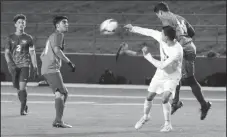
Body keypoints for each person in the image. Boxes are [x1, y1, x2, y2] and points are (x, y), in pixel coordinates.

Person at [153, 2, 211, 120]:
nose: (159, 17)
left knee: (180, 76)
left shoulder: (166, 19)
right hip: (190, 47)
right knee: (182, 77)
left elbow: (167, 38)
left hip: (181, 49)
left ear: (160, 12)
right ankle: (183, 103)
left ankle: (183, 103)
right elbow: (192, 32)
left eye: (157, 15)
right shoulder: (179, 18)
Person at [124, 24, 183, 132]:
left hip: (172, 75)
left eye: (162, 34)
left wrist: (147, 56)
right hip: (161, 74)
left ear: (166, 37)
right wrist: (132, 28)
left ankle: (167, 124)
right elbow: (149, 31)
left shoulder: (177, 51)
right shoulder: (162, 38)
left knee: (165, 98)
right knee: (149, 97)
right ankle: (146, 116)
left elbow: (162, 65)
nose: (160, 35)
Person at [40, 15, 76, 128]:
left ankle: (58, 119)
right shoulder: (59, 35)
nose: (67, 24)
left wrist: (47, 65)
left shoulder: (52, 36)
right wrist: (69, 62)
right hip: (51, 69)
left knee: (61, 92)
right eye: (64, 22)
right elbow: (57, 50)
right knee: (62, 93)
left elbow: (42, 55)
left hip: (48, 69)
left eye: (67, 22)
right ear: (57, 25)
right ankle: (58, 120)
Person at [4, 14, 38, 116]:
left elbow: (32, 53)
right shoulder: (10, 38)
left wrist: (35, 66)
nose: (21, 24)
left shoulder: (28, 38)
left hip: (25, 65)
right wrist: (10, 64)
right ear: (15, 24)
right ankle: (24, 104)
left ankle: (22, 109)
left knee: (22, 87)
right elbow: (6, 53)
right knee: (18, 88)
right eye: (19, 22)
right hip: (14, 66)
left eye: (23, 22)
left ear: (25, 24)